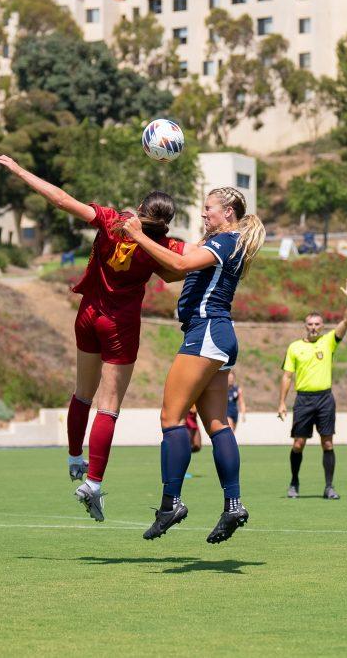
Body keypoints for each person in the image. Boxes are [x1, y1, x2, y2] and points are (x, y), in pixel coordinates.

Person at [0, 154, 187, 523]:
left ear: (141, 206)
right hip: (120, 325)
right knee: (109, 405)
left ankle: (72, 457)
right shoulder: (163, 244)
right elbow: (178, 271)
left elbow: (61, 200)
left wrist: (20, 171)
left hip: (87, 316)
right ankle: (93, 484)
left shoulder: (113, 221)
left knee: (82, 392)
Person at [119, 187, 265, 543]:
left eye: (208, 209)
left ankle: (171, 503)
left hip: (207, 332)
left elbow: (181, 264)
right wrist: (146, 236)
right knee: (216, 424)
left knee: (171, 419)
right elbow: (175, 265)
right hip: (218, 335)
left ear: (228, 211)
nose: (204, 215)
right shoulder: (225, 241)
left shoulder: (226, 241)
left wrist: (137, 234)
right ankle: (233, 504)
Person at [278, 288, 347, 500]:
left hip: (325, 399)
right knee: (298, 444)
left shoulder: (329, 341)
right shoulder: (294, 347)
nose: (314, 327)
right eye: (310, 324)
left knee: (328, 443)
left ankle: (329, 487)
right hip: (303, 399)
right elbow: (287, 376)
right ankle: (294, 482)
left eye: (317, 324)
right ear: (306, 326)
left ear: (322, 327)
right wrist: (282, 403)